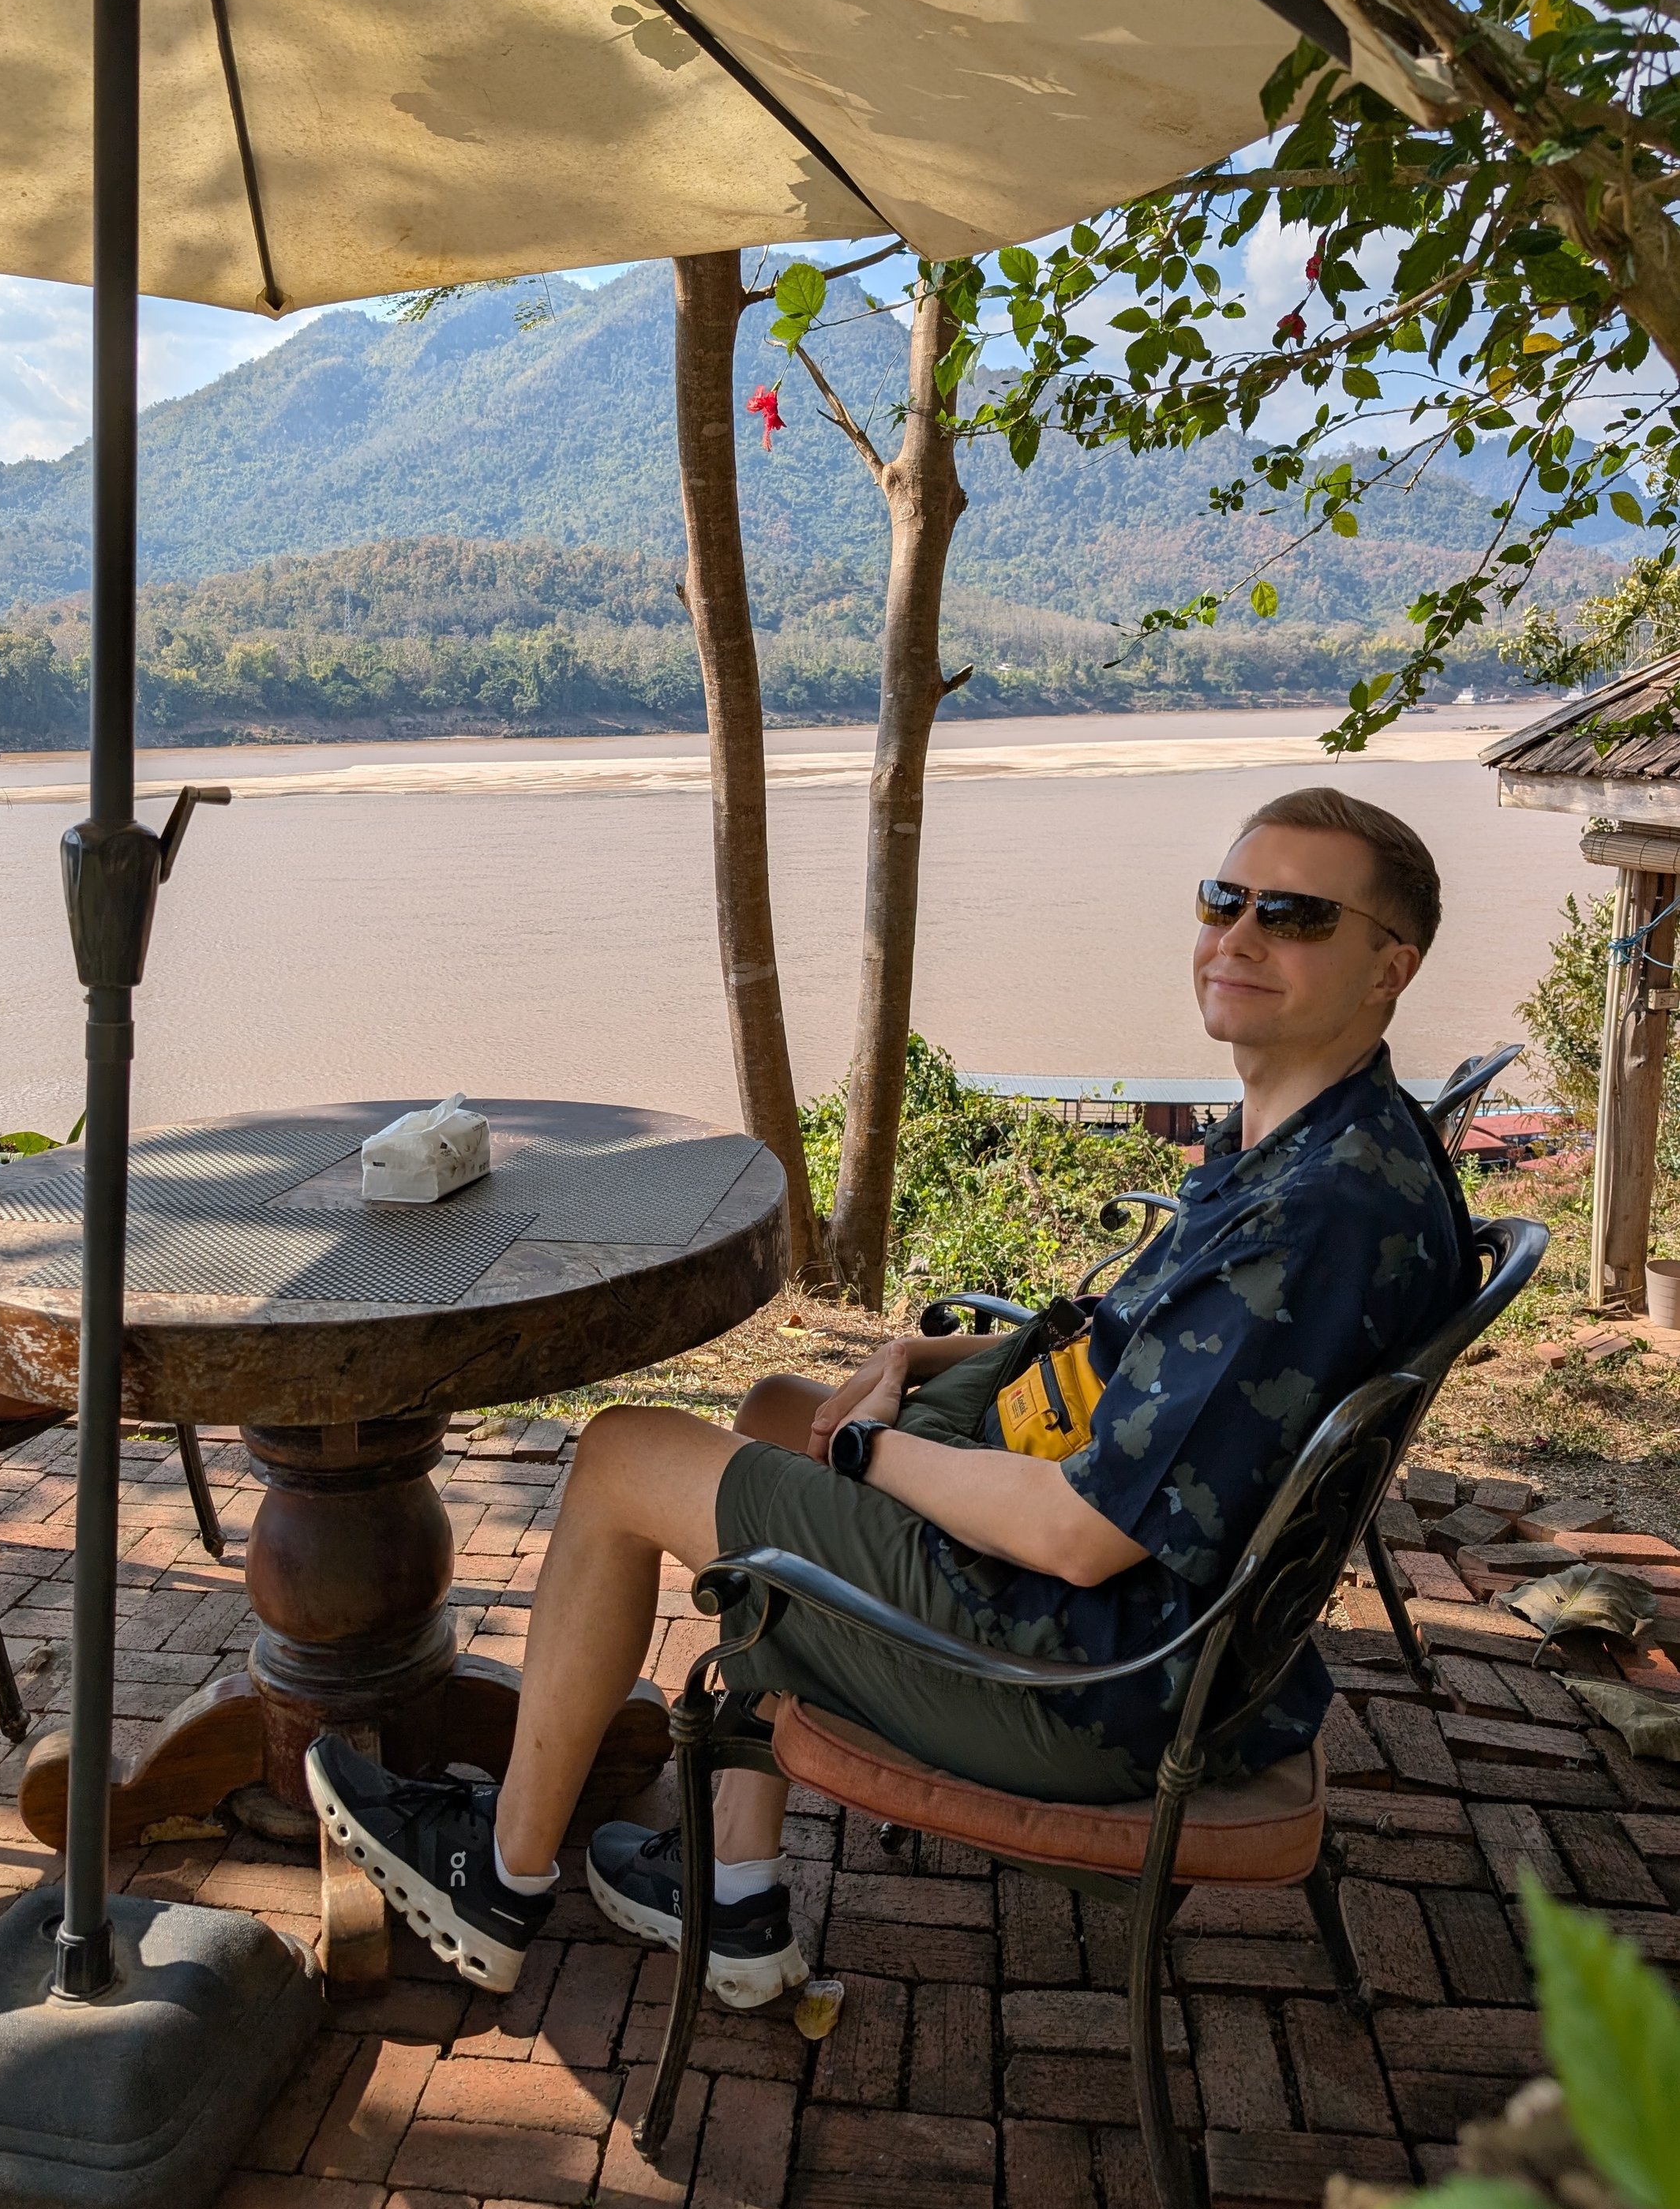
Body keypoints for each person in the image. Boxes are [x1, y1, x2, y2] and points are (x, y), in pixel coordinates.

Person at [306, 786, 1472, 2002]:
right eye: (1222, 899)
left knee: (622, 1458)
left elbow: (1082, 1536)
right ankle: (735, 1893)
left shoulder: (1315, 1221)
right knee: (769, 1411)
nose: (1237, 937)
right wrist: (922, 1366)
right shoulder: (1323, 1139)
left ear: (1389, 966)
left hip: (1086, 1672)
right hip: (1150, 1620)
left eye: (1292, 914)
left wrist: (872, 1453)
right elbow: (1140, 1358)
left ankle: (496, 1886)